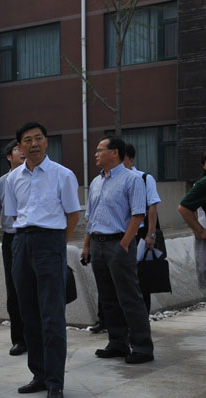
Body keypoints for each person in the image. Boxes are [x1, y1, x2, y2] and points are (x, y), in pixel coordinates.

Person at [3, 121, 80, 398]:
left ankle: (55, 381)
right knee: (28, 313)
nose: (33, 144)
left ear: (46, 141)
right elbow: (14, 215)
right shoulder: (13, 178)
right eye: (27, 140)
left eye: (38, 138)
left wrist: (57, 244)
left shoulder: (63, 174)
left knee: (52, 315)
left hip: (50, 242)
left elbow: (73, 215)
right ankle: (39, 374)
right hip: (22, 242)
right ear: (20, 146)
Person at [81, 137, 154, 364]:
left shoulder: (132, 179)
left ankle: (142, 347)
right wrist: (86, 244)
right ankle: (117, 343)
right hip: (98, 243)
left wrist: (125, 243)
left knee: (129, 296)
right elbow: (91, 216)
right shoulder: (96, 182)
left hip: (118, 243)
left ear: (114, 153)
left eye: (100, 150)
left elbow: (138, 214)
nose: (96, 154)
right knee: (108, 298)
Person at [0, 139, 27, 356]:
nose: (23, 151)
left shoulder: (38, 178)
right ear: (9, 157)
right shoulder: (1, 183)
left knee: (36, 289)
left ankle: (37, 336)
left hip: (35, 237)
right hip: (12, 239)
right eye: (18, 149)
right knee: (14, 290)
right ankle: (19, 339)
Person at [123, 144, 163, 312]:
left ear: (131, 159)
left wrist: (150, 234)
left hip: (140, 233)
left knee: (141, 275)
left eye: (122, 158)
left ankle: (143, 315)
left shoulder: (144, 178)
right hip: (120, 232)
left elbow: (152, 206)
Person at [186, 148, 206, 330]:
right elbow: (186, 209)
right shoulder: (200, 186)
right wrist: (199, 230)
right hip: (205, 234)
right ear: (203, 165)